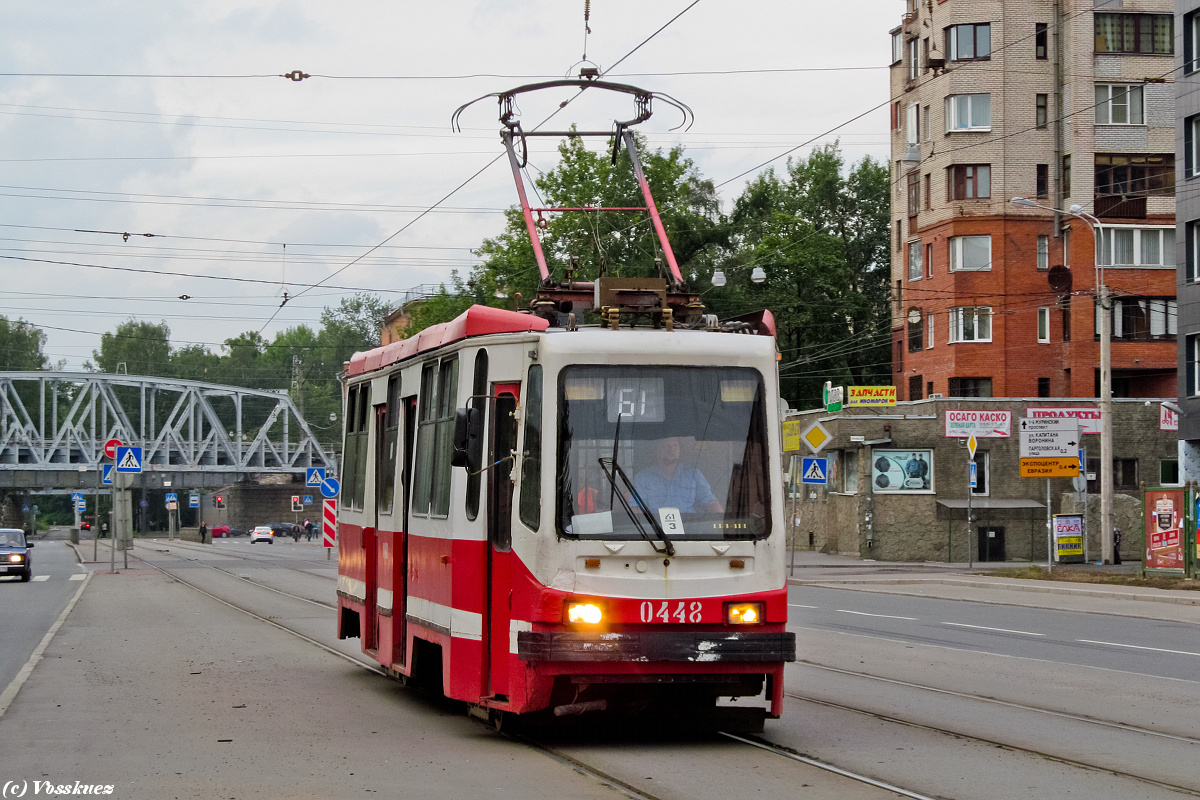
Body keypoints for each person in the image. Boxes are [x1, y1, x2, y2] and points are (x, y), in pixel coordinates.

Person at [633, 437, 723, 516]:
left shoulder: (693, 474)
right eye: (666, 445)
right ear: (657, 449)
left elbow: (711, 502)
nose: (671, 449)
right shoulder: (642, 478)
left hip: (690, 531)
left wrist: (724, 526)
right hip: (655, 531)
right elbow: (635, 509)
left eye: (675, 445)